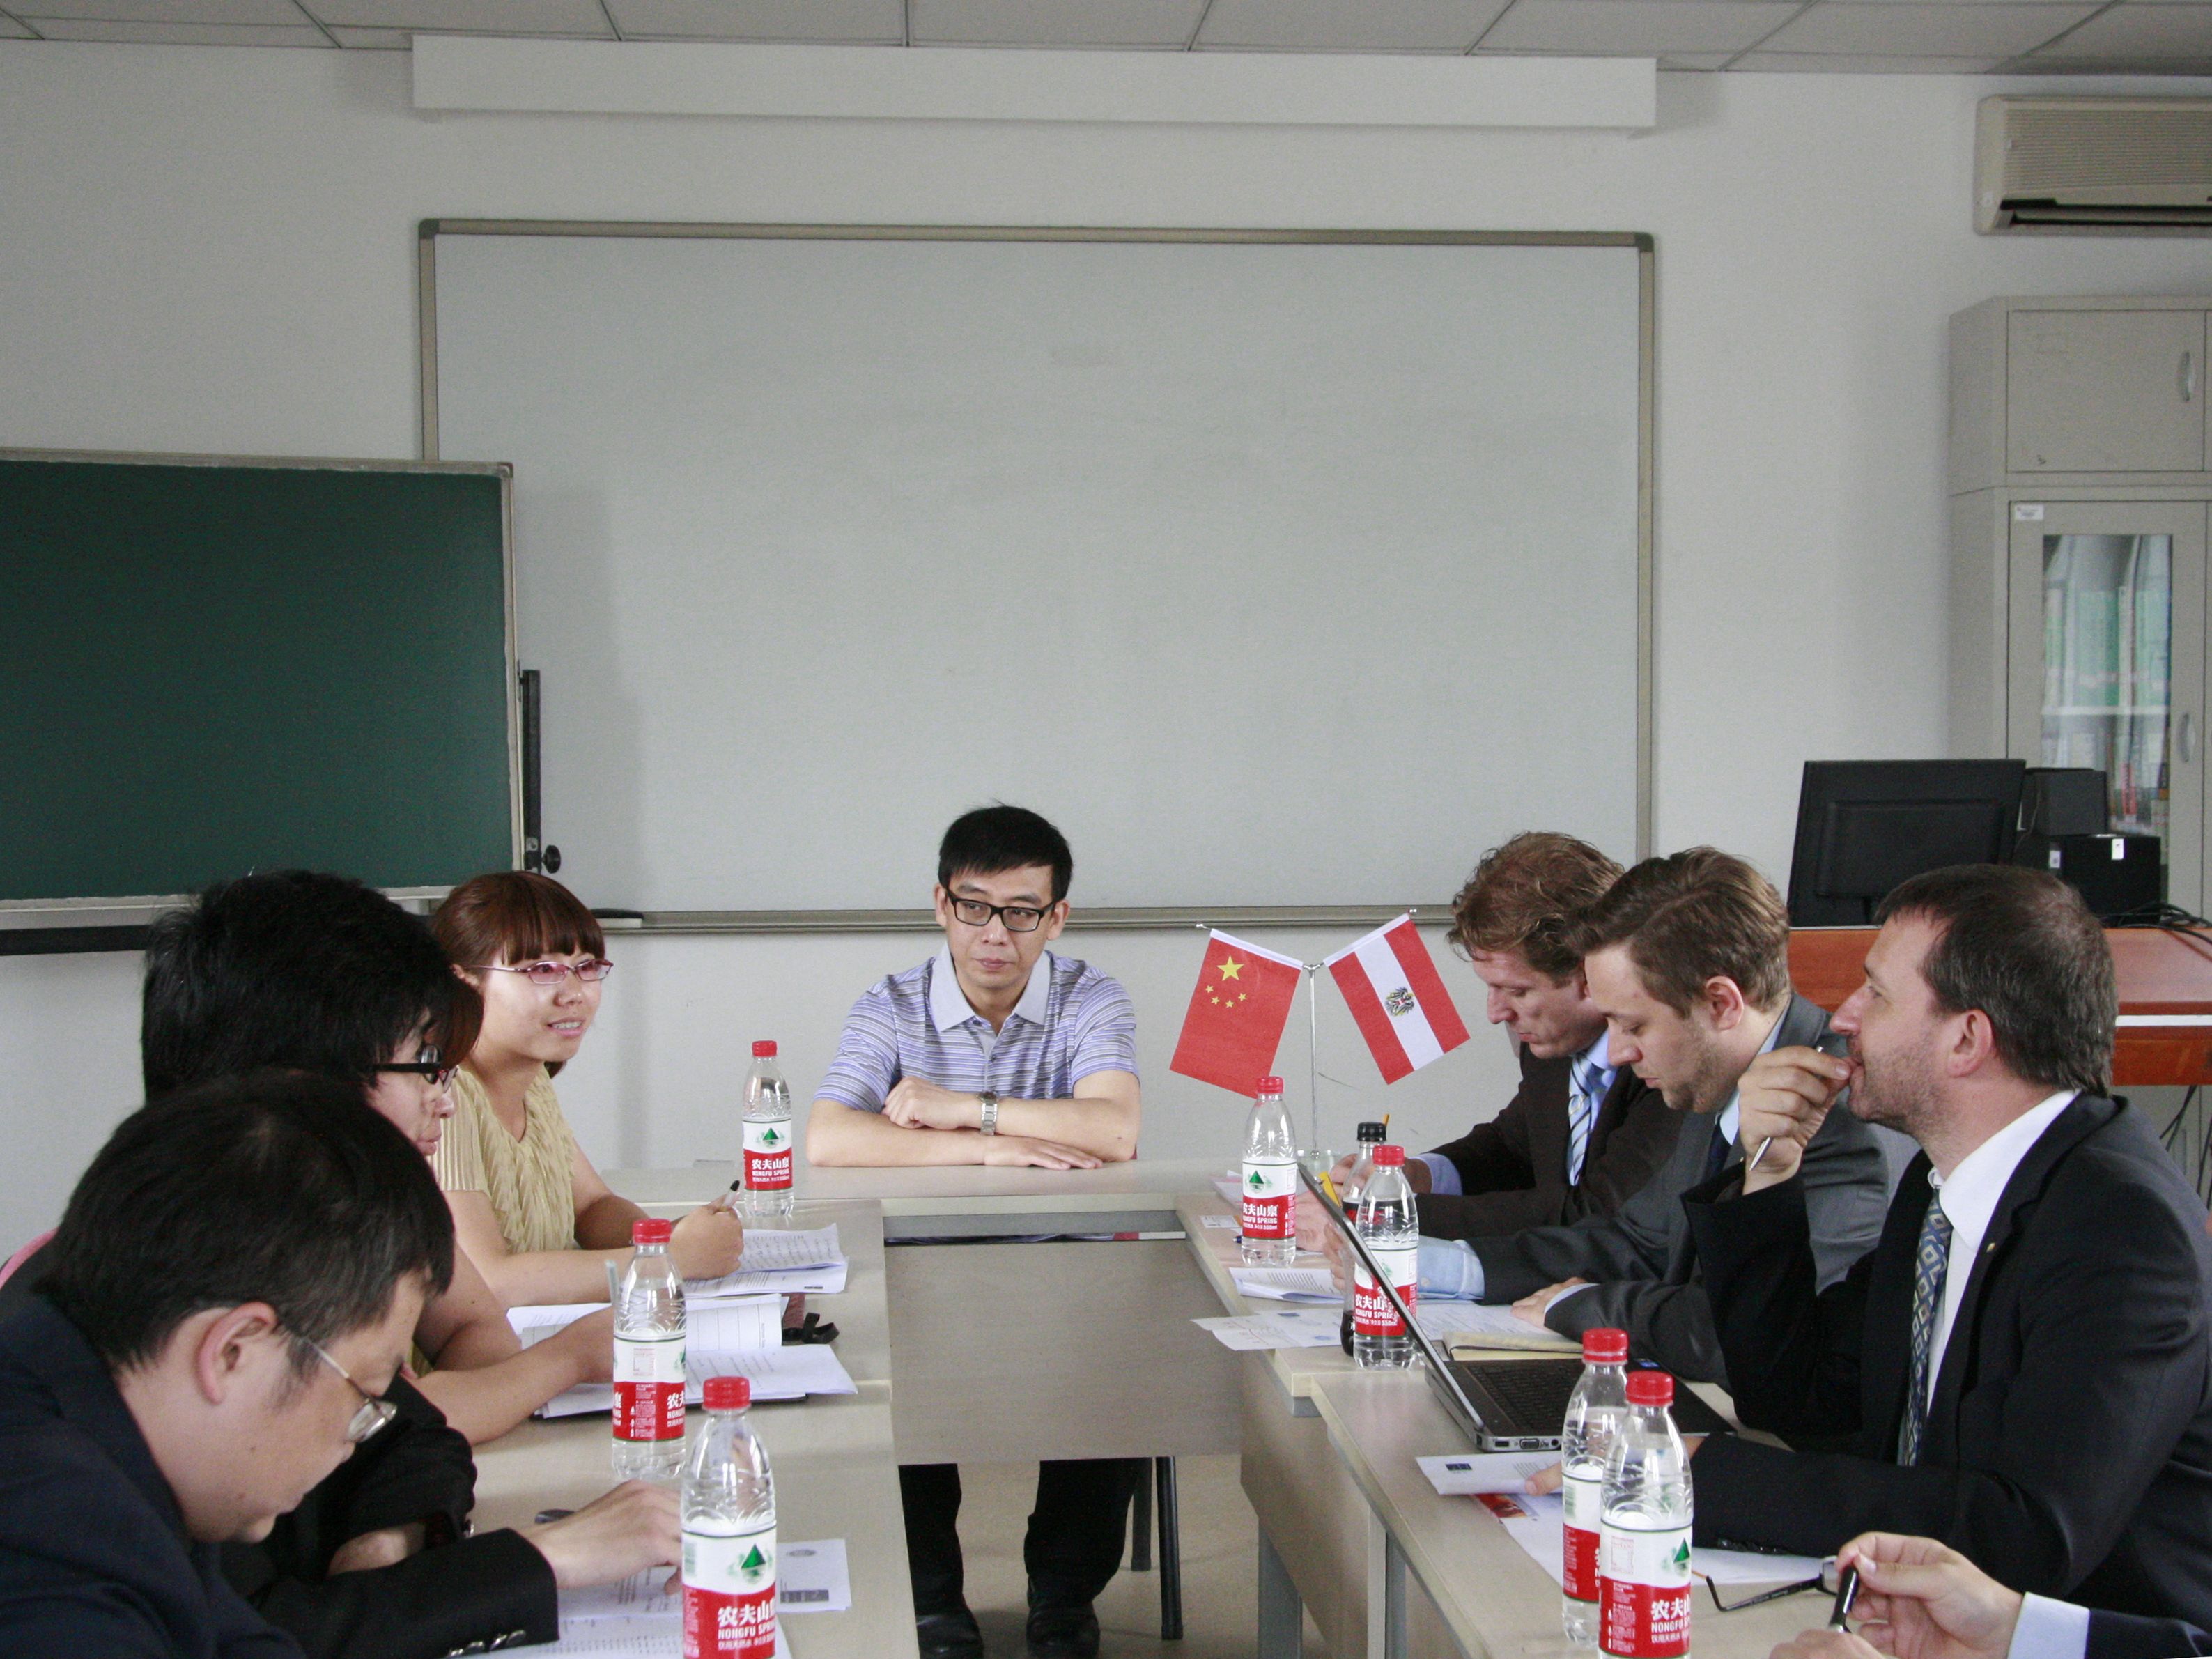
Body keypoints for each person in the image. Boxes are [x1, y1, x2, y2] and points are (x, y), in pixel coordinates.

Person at [1685, 863, 2212, 1628]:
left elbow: (2024, 1532)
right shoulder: (1941, 1187)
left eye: (1876, 993)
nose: (1843, 1016)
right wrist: (1767, 1170)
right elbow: (1802, 1397)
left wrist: (1710, 1477)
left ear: (1966, 1038)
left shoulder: (2122, 1228)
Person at [804, 805, 1143, 1659]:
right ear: (941, 903)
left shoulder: (1090, 996)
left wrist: (963, 1109)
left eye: (1022, 911)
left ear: (1056, 917)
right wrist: (993, 1149)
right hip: (922, 1269)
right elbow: (829, 1136)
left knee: (1121, 1370)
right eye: (975, 906)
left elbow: (1113, 1129)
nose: (995, 933)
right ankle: (931, 1603)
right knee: (884, 1363)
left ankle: (1062, 1597)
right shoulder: (889, 1004)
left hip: (1068, 1271)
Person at [1368, 847, 1892, 1382]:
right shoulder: (1712, 1070)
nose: (1616, 1053)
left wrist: (1582, 1306)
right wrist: (1434, 1265)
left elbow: (1746, 1333)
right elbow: (1635, 1241)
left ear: (1720, 1004)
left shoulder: (1832, 1115)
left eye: (1634, 1026)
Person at [136, 869, 612, 1444]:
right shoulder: (239, 1245)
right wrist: (564, 1359)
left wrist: (476, 1398)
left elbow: (470, 1331)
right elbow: (386, 1426)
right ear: (309, 1085)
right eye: (425, 1063)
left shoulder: (381, 1195)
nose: (443, 1098)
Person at [1, 1074, 461, 1653]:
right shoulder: (53, 1560)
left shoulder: (101, 1418)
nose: (353, 1443)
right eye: (364, 1397)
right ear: (233, 1351)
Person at [1298, 832, 1682, 1250]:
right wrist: (1417, 1177)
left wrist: (1386, 1213)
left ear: (1589, 974)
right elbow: (1512, 1148)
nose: (1496, 1013)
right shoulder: (1550, 1045)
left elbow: (1600, 1212)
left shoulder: (1666, 1060)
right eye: (1492, 988)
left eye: (1517, 991)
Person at [431, 871, 745, 1306]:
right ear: (463, 980)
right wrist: (669, 1259)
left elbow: (592, 1206)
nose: (574, 993)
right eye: (541, 970)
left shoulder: (532, 1079)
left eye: (586, 967)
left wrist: (663, 1239)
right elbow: (489, 1282)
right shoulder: (441, 1097)